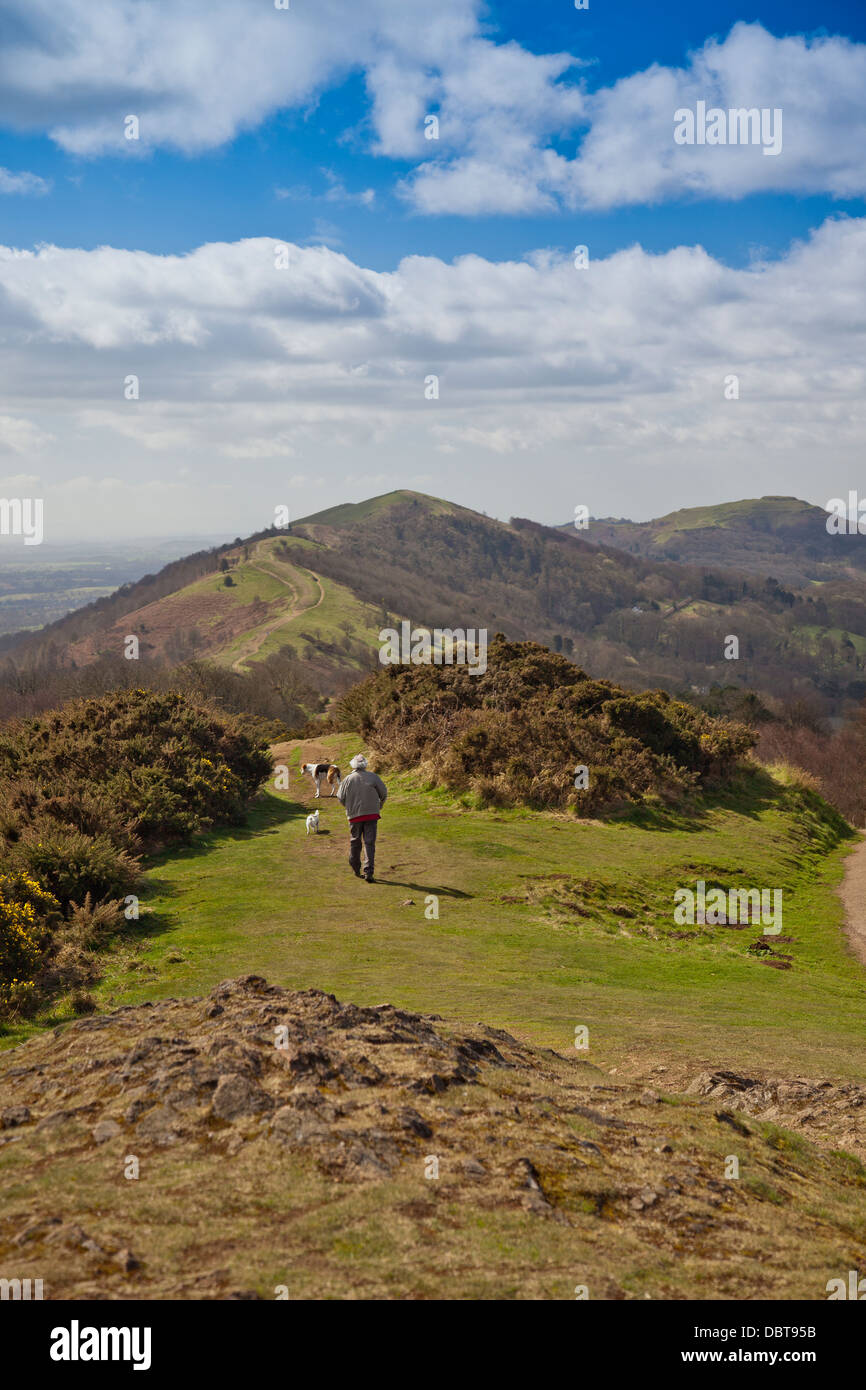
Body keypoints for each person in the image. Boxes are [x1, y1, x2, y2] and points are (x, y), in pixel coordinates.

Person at [337, 753, 387, 882]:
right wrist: (379, 805)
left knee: (355, 842)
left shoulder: (347, 779)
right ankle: (368, 872)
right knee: (369, 843)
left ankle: (355, 867)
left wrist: (349, 807)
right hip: (372, 814)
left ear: (353, 765)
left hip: (354, 816)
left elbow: (340, 797)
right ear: (365, 764)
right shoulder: (373, 777)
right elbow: (383, 793)